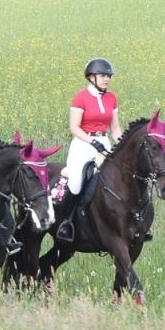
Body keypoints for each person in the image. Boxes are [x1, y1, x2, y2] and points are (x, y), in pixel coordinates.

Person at [51, 58, 122, 240]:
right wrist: (91, 141)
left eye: (108, 76)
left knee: (120, 178)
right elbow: (74, 127)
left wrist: (121, 143)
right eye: (103, 75)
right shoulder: (80, 97)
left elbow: (115, 128)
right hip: (83, 144)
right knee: (76, 182)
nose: (107, 79)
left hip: (104, 143)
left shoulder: (112, 98)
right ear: (91, 77)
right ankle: (66, 223)